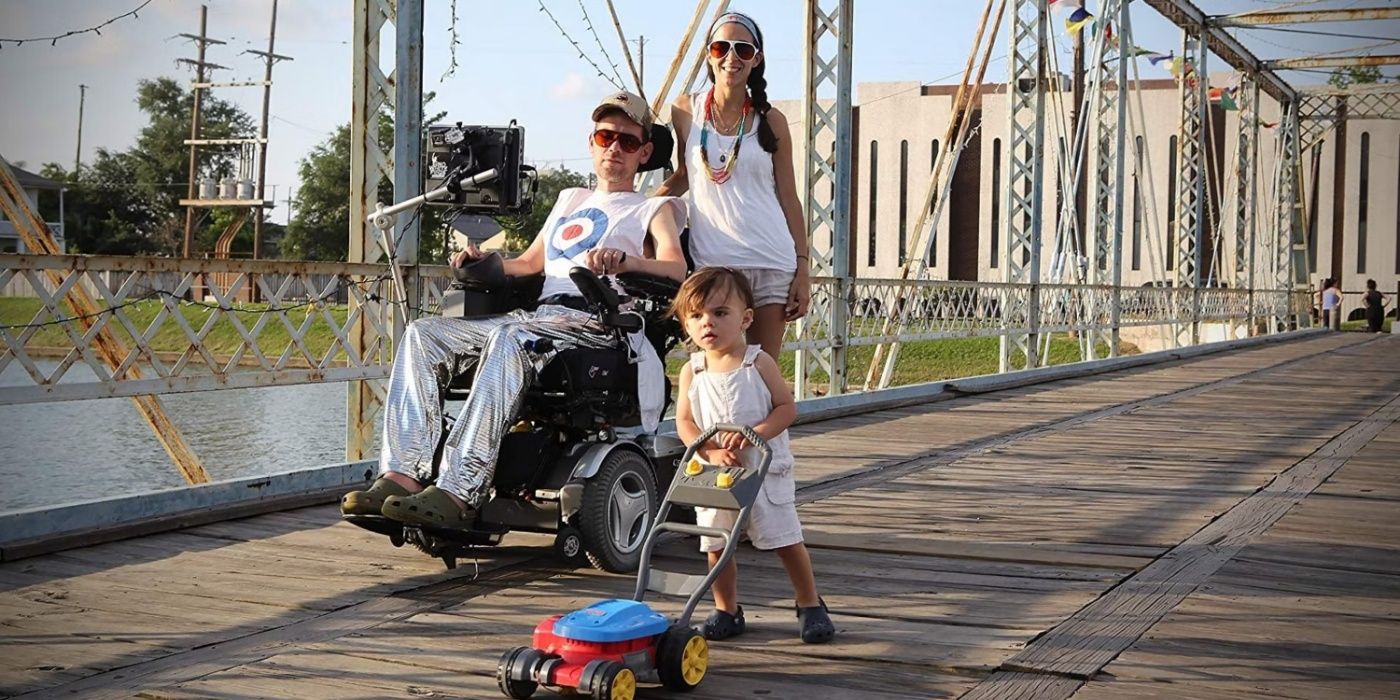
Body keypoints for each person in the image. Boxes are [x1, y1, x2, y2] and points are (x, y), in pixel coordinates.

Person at [340, 91, 687, 529]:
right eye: (605, 137)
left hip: (598, 320)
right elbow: (528, 264)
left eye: (627, 141)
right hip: (540, 318)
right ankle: (402, 475)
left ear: (645, 152)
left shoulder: (654, 208)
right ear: (592, 143)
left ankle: (458, 490)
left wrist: (628, 261)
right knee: (424, 335)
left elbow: (676, 269)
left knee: (511, 338)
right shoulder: (570, 200)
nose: (614, 148)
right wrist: (484, 263)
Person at [672, 267, 835, 644]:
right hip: (715, 472)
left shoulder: (757, 363)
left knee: (783, 537)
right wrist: (708, 450)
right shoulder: (692, 370)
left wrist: (753, 437)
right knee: (716, 542)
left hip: (762, 468)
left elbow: (785, 408)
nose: (707, 323)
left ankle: (809, 603)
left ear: (745, 318)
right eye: (696, 316)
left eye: (719, 313)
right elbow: (684, 421)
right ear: (686, 324)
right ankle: (726, 608)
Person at [655, 11, 809, 359]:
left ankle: (772, 417)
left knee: (761, 371)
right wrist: (633, 210)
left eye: (742, 49)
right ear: (709, 54)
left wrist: (803, 269)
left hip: (771, 261)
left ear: (757, 58)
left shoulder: (771, 120)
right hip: (714, 264)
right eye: (721, 47)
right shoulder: (685, 110)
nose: (731, 57)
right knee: (715, 372)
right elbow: (684, 176)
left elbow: (789, 198)